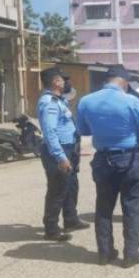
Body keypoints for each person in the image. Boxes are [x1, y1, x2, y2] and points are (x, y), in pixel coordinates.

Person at [77, 65, 139, 268]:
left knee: (103, 207)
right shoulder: (132, 102)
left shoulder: (86, 101)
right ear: (124, 82)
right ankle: (131, 254)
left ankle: (104, 253)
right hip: (130, 160)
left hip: (103, 160)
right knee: (132, 208)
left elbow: (83, 129)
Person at [38, 67, 89, 242]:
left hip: (70, 147)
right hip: (59, 151)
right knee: (57, 189)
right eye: (64, 79)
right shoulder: (49, 102)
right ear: (55, 82)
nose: (68, 82)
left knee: (71, 186)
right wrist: (61, 157)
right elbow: (50, 132)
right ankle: (51, 229)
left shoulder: (60, 100)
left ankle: (71, 219)